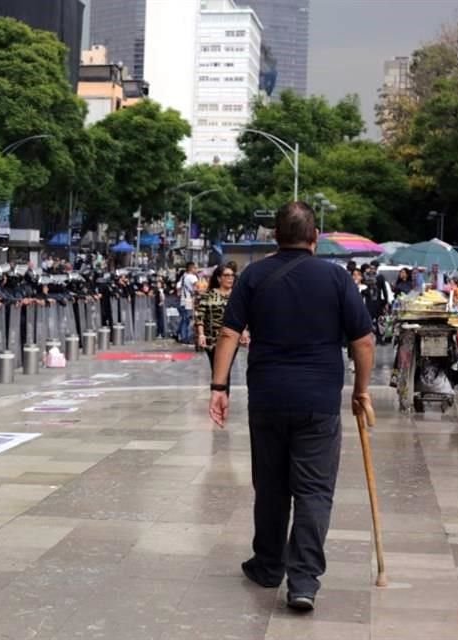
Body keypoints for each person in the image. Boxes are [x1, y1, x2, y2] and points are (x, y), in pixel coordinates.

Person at [208, 202, 374, 613]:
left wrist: (219, 386)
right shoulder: (336, 278)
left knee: (271, 485)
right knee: (315, 490)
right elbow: (364, 341)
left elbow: (230, 332)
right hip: (318, 401)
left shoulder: (254, 275)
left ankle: (268, 565)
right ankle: (303, 581)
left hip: (267, 398)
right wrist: (361, 390)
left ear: (275, 236)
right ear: (314, 237)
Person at [196, 265, 245, 394]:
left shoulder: (237, 296)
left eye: (232, 275)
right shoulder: (208, 295)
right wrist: (201, 334)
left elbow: (243, 315)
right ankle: (219, 396)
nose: (230, 278)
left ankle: (223, 397)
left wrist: (244, 332)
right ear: (219, 278)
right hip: (212, 339)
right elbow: (200, 315)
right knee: (216, 369)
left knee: (226, 368)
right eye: (226, 275)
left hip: (231, 338)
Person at [176, 262, 199, 345]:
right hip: (189, 301)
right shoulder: (192, 277)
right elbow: (198, 288)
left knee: (184, 320)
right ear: (191, 268)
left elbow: (178, 288)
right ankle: (188, 338)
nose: (196, 270)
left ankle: (181, 336)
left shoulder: (183, 276)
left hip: (182, 300)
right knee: (189, 320)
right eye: (195, 268)